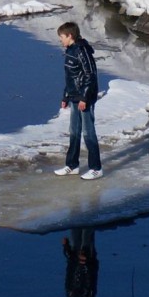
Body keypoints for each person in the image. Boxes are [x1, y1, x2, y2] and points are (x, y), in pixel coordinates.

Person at [54, 22, 103, 180]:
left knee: (88, 132)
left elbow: (90, 76)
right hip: (74, 96)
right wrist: (65, 96)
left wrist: (84, 98)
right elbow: (70, 77)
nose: (60, 40)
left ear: (70, 36)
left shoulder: (82, 51)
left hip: (84, 99)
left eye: (62, 37)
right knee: (74, 131)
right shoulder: (70, 50)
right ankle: (72, 165)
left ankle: (96, 168)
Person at [60, 228, 99, 297]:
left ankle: (80, 216)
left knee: (76, 227)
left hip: (76, 256)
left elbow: (70, 271)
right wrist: (85, 262)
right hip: (86, 257)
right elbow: (90, 280)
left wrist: (67, 249)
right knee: (86, 234)